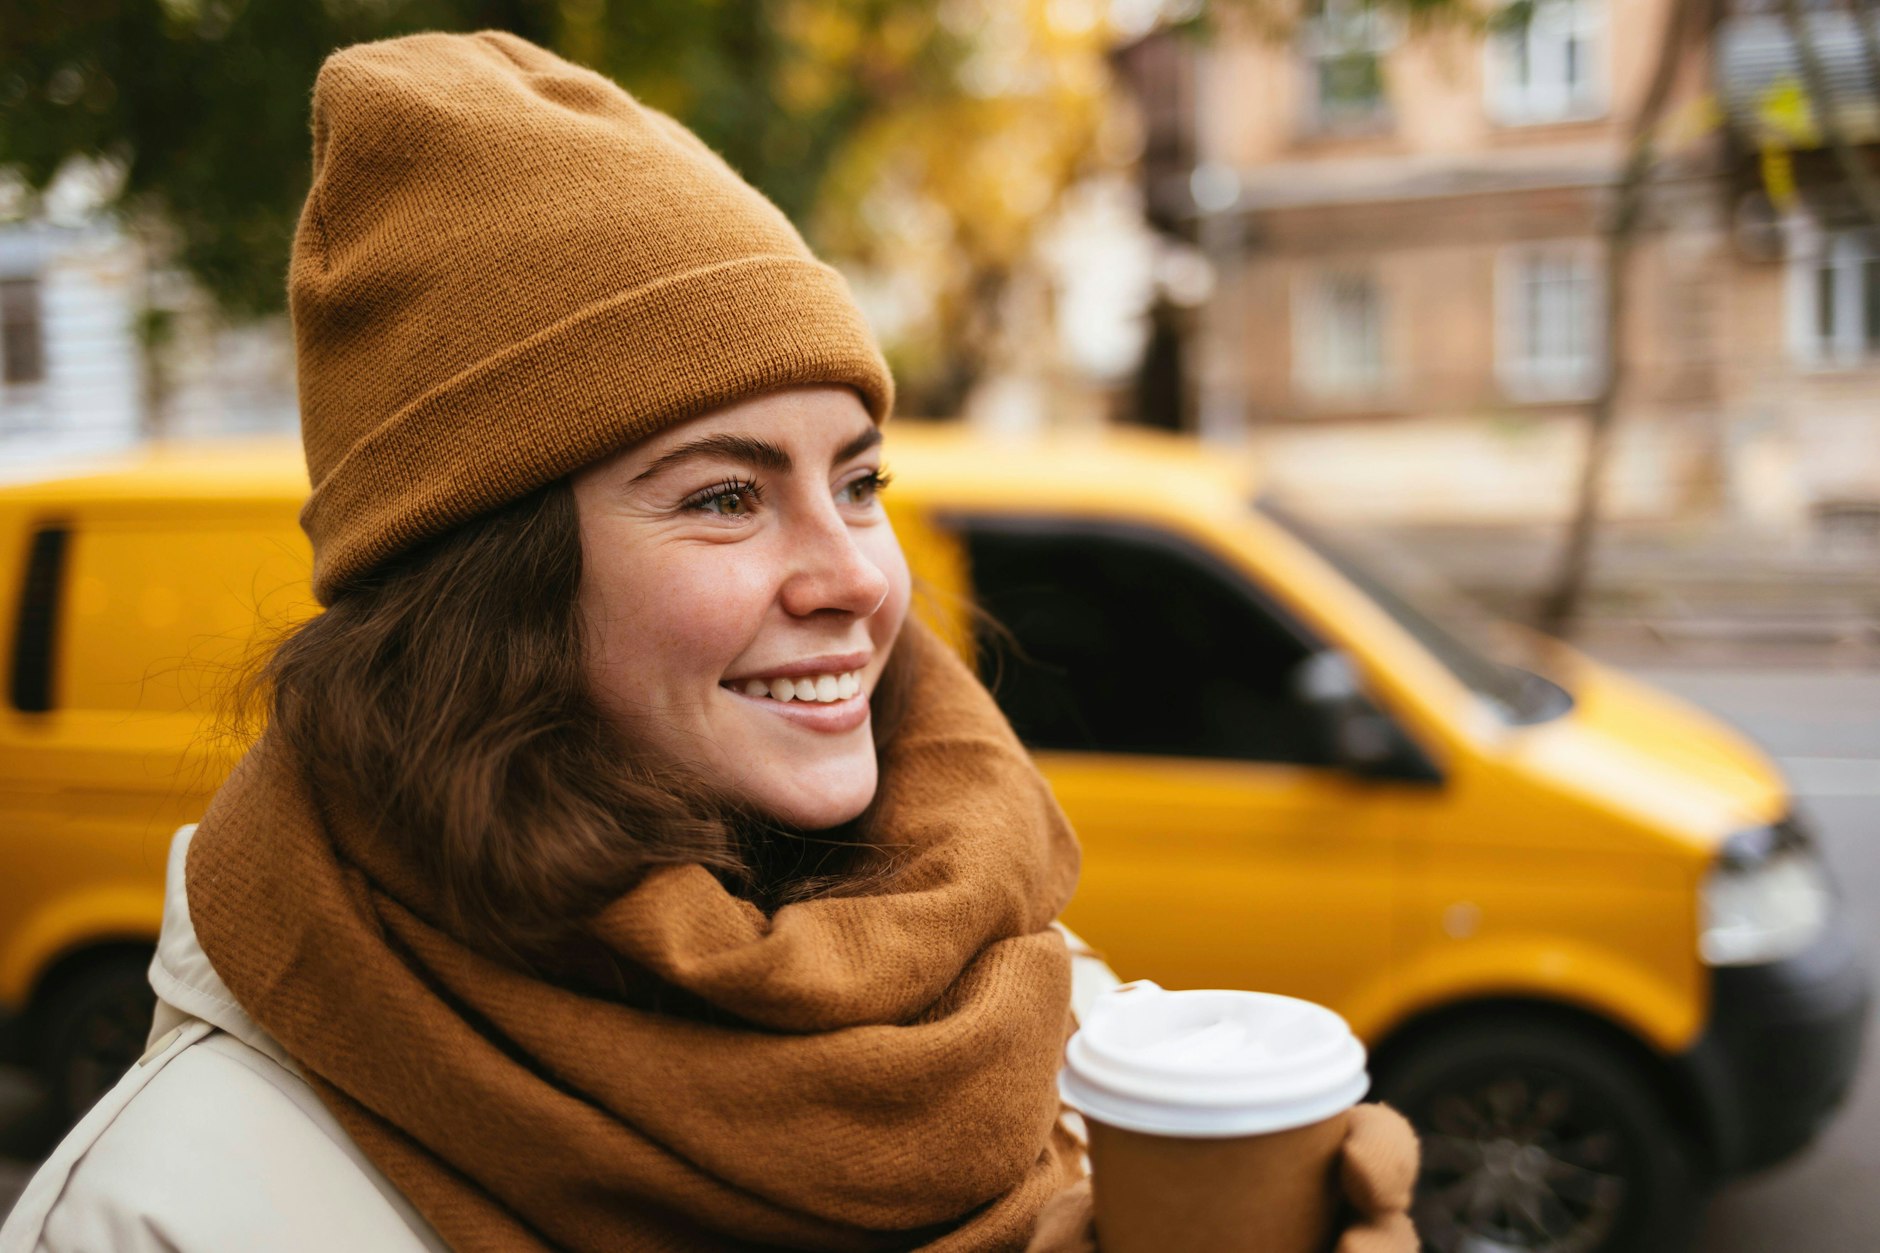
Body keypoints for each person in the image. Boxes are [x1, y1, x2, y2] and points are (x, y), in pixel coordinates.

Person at [0, 30, 1419, 1253]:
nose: (857, 576)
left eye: (859, 481)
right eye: (726, 496)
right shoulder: (172, 1209)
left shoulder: (1016, 1000)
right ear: (489, 594)